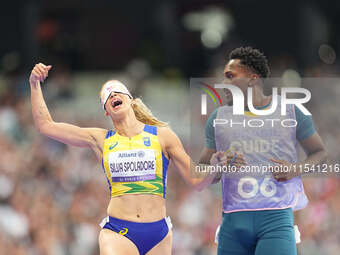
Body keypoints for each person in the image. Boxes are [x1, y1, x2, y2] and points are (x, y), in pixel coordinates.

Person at [29, 63, 242, 255]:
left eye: (116, 91)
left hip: (158, 234)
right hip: (119, 232)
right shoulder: (101, 139)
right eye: (107, 96)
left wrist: (215, 168)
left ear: (131, 100)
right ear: (106, 111)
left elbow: (196, 182)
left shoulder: (162, 135)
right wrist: (35, 84)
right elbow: (46, 126)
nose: (112, 95)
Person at [199, 47, 327, 255]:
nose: (224, 84)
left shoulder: (291, 111)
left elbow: (320, 153)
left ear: (252, 78)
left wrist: (296, 169)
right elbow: (201, 174)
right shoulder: (217, 119)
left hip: (275, 221)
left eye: (230, 77)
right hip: (233, 222)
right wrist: (217, 166)